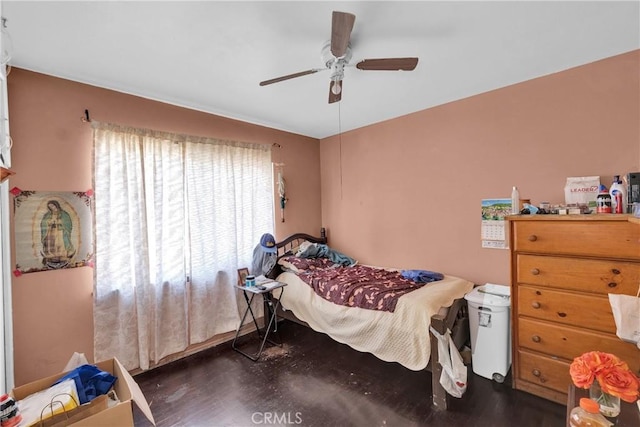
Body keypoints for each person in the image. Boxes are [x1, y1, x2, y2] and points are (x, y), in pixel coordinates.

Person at [40, 200, 75, 264]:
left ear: (56, 205)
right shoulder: (47, 215)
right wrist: (48, 222)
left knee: (60, 243)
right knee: (51, 243)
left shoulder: (64, 214)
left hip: (60, 231)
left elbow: (68, 223)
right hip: (51, 231)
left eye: (52, 206)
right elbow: (43, 223)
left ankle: (62, 255)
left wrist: (60, 222)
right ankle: (52, 255)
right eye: (50, 207)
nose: (52, 207)